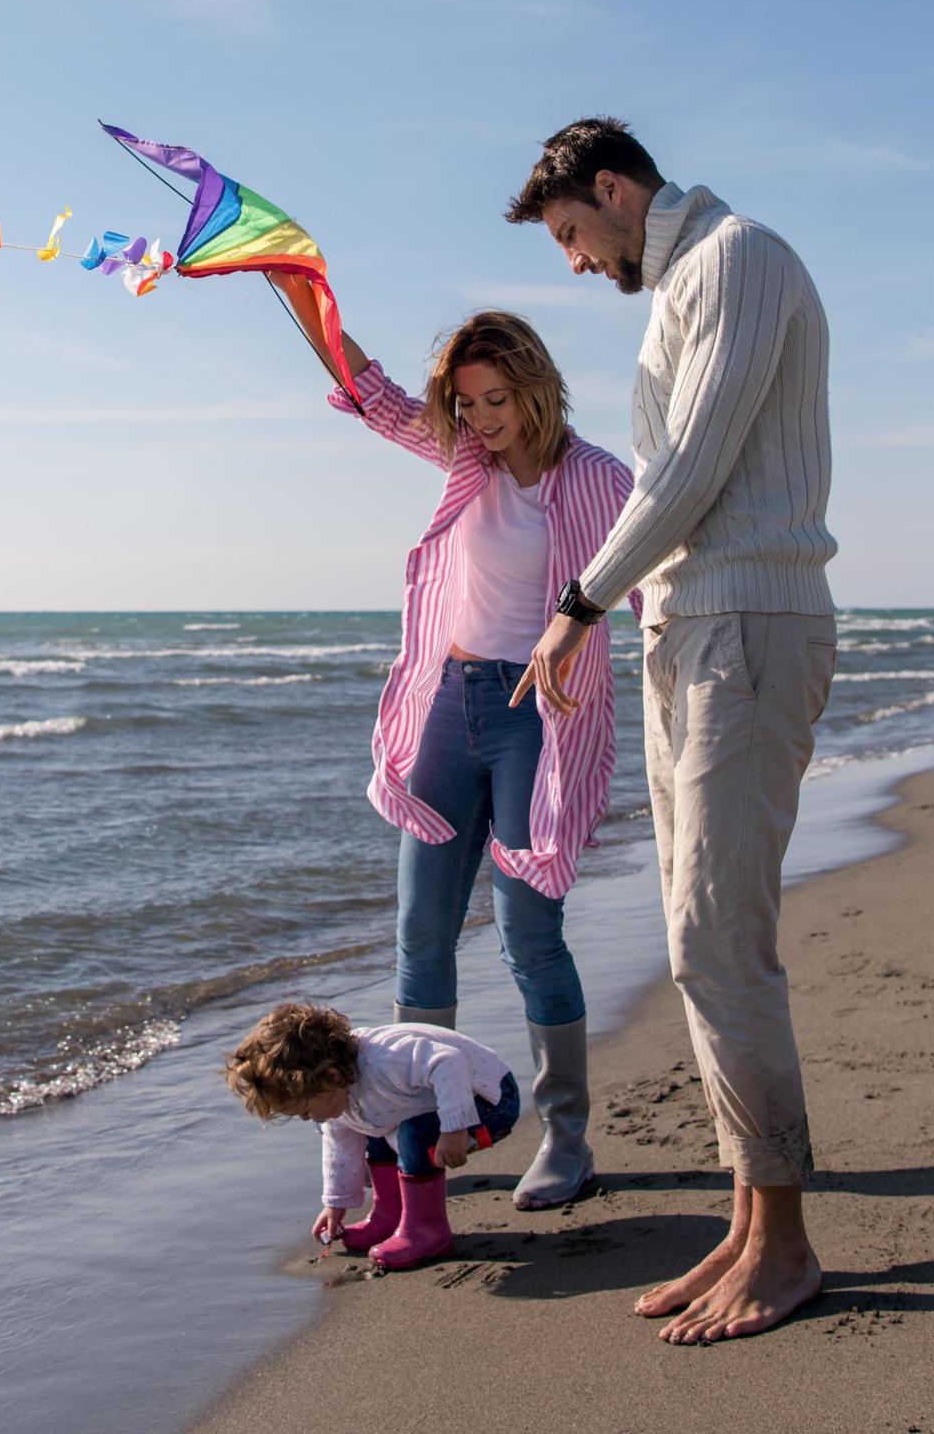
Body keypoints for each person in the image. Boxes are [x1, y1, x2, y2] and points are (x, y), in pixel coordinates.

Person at [503, 117, 839, 1347]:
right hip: (690, 628)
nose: (577, 263)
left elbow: (689, 466)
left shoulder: (742, 257)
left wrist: (576, 606)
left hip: (749, 622)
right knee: (697, 939)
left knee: (716, 936)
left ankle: (789, 1242)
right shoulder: (682, 287)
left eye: (574, 236)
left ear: (614, 188)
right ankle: (752, 1221)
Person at [329, 312, 634, 1210]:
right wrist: (301, 290)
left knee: (527, 937)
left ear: (538, 386)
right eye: (467, 403)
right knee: (421, 937)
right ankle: (423, 1135)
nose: (483, 418)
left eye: (497, 400)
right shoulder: (467, 458)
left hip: (534, 718)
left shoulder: (598, 480)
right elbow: (373, 395)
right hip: (447, 704)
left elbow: (657, 571)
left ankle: (567, 1140)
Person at [224, 1000, 522, 1272]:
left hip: (489, 1099)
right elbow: (340, 1146)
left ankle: (427, 1231)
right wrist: (335, 1205)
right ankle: (389, 1216)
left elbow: (448, 1061)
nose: (308, 1119)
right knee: (374, 1130)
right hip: (431, 1104)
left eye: (304, 1110)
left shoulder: (385, 1061)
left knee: (413, 1133)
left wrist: (454, 1128)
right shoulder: (337, 1094)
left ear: (331, 1077)